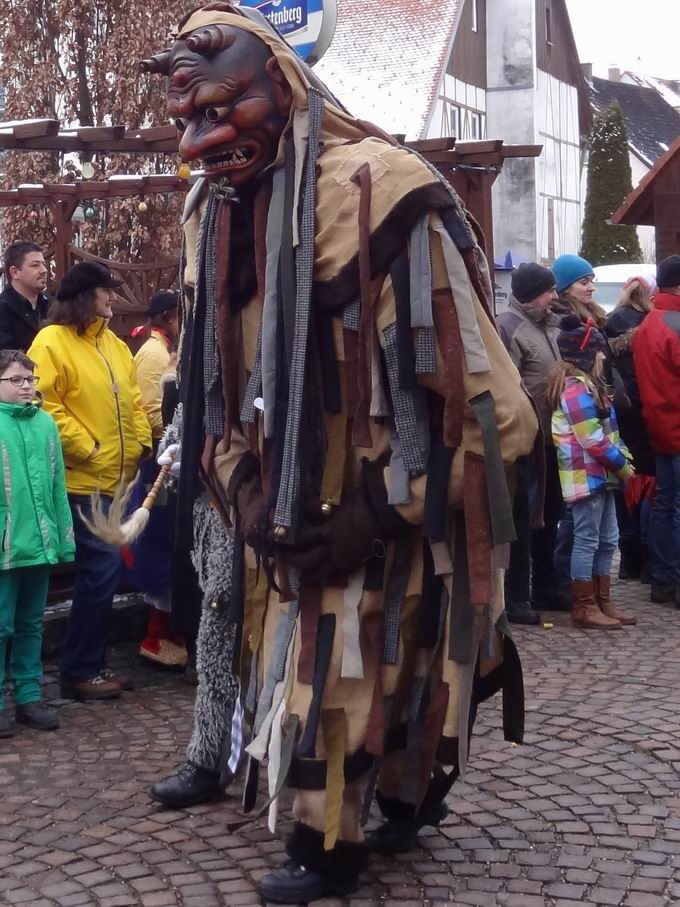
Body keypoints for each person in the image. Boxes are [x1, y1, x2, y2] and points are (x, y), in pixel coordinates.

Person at [144, 6, 538, 902]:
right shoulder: (211, 215)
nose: (199, 141)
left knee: (388, 657)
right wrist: (240, 487)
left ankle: (353, 826)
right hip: (283, 507)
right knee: (313, 660)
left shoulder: (378, 192)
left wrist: (379, 507)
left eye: (223, 109)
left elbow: (489, 410)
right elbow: (210, 384)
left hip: (389, 503)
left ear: (281, 89)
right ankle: (359, 811)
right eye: (187, 120)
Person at [28, 261, 152, 700]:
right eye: (107, 292)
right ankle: (81, 671)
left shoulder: (115, 344)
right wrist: (89, 448)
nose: (113, 299)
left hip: (117, 480)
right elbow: (42, 403)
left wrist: (139, 444)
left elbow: (134, 399)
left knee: (104, 572)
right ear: (85, 296)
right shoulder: (52, 341)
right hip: (82, 483)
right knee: (101, 571)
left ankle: (89, 665)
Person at [0, 349, 75, 737]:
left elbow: (56, 487)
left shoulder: (46, 424)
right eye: (16, 380)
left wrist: (62, 539)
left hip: (39, 544)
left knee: (31, 623)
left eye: (30, 379)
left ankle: (29, 696)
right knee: (0, 624)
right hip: (6, 546)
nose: (27, 386)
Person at [548, 315, 636, 629]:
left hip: (603, 475)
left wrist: (623, 456)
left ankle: (602, 599)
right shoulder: (574, 391)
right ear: (585, 355)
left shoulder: (591, 386)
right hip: (586, 476)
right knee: (587, 538)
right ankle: (584, 605)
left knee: (608, 537)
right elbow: (592, 439)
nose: (602, 356)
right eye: (597, 351)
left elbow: (610, 432)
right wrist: (623, 466)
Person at [497, 263, 562, 624]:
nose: (554, 296)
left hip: (551, 440)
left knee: (549, 515)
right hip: (523, 442)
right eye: (547, 291)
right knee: (520, 520)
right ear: (529, 294)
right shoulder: (509, 328)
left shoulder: (546, 327)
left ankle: (546, 588)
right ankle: (515, 597)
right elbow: (509, 387)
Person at [128, 291, 187, 667]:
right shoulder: (154, 354)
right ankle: (156, 635)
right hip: (164, 460)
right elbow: (154, 411)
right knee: (162, 543)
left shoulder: (167, 349)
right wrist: (175, 439)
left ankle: (173, 628)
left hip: (174, 457)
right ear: (167, 318)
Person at [633, 255, 680, 606]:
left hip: (660, 428)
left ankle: (663, 579)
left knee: (665, 503)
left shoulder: (649, 323)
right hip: (677, 426)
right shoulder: (676, 324)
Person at [605, 277, 656, 582]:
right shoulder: (651, 326)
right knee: (651, 485)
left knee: (625, 481)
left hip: (620, 414)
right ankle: (649, 560)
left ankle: (627, 559)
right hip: (646, 414)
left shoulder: (606, 325)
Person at [0, 241, 50, 350]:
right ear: (15, 272)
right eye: (35, 265)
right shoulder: (3, 309)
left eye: (44, 264)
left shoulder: (52, 304)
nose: (44, 270)